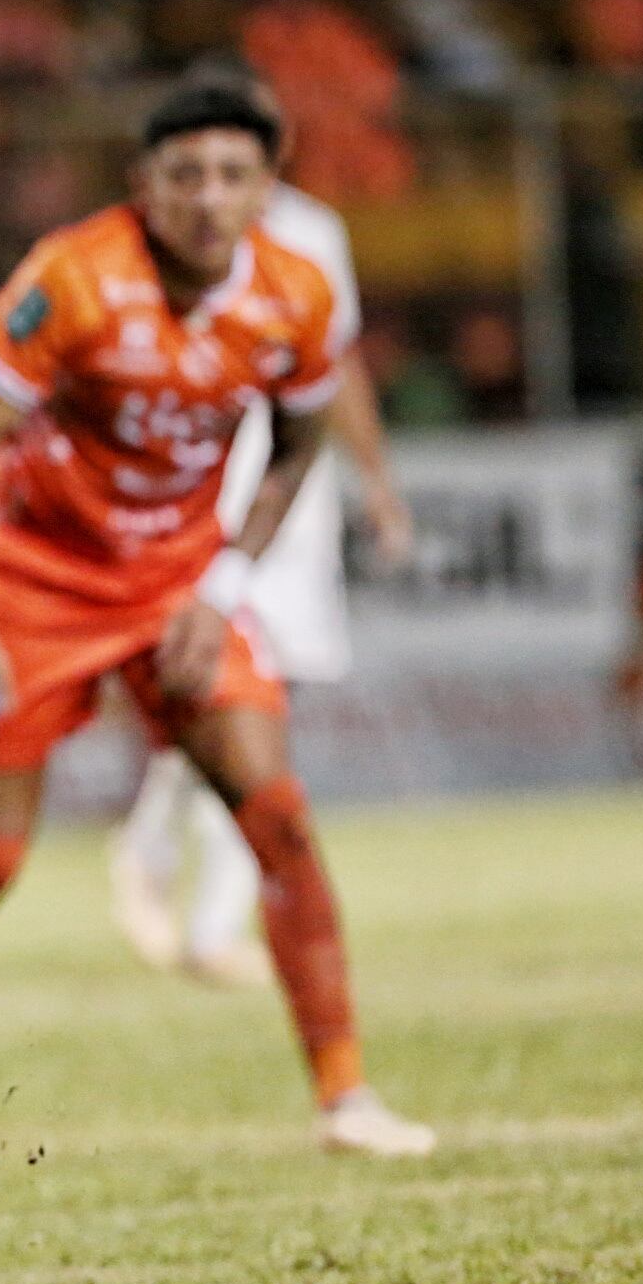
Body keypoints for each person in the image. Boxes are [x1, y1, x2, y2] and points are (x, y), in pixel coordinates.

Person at [0, 76, 435, 1175]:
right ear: (143, 186)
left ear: (269, 186)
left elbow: (302, 444)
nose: (210, 199)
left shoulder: (298, 295)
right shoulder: (71, 279)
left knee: (280, 822)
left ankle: (345, 1096)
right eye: (186, 175)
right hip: (37, 588)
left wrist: (225, 586)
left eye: (235, 176)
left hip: (176, 589)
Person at [108, 70, 416, 985]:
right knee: (243, 699)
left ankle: (152, 854)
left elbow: (336, 370)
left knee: (255, 700)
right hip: (199, 496)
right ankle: (203, 921)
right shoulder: (152, 241)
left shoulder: (315, 237)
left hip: (292, 498)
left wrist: (375, 480)